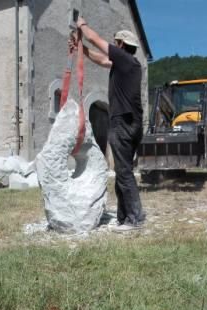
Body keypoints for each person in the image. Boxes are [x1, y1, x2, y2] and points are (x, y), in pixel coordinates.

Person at [69, 17, 145, 230]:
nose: (113, 45)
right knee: (123, 170)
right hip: (131, 123)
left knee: (123, 172)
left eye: (115, 42)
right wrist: (80, 48)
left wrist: (82, 24)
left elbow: (95, 39)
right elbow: (101, 59)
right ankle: (124, 216)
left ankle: (134, 218)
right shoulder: (128, 64)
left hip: (123, 122)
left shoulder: (124, 59)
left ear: (121, 45)